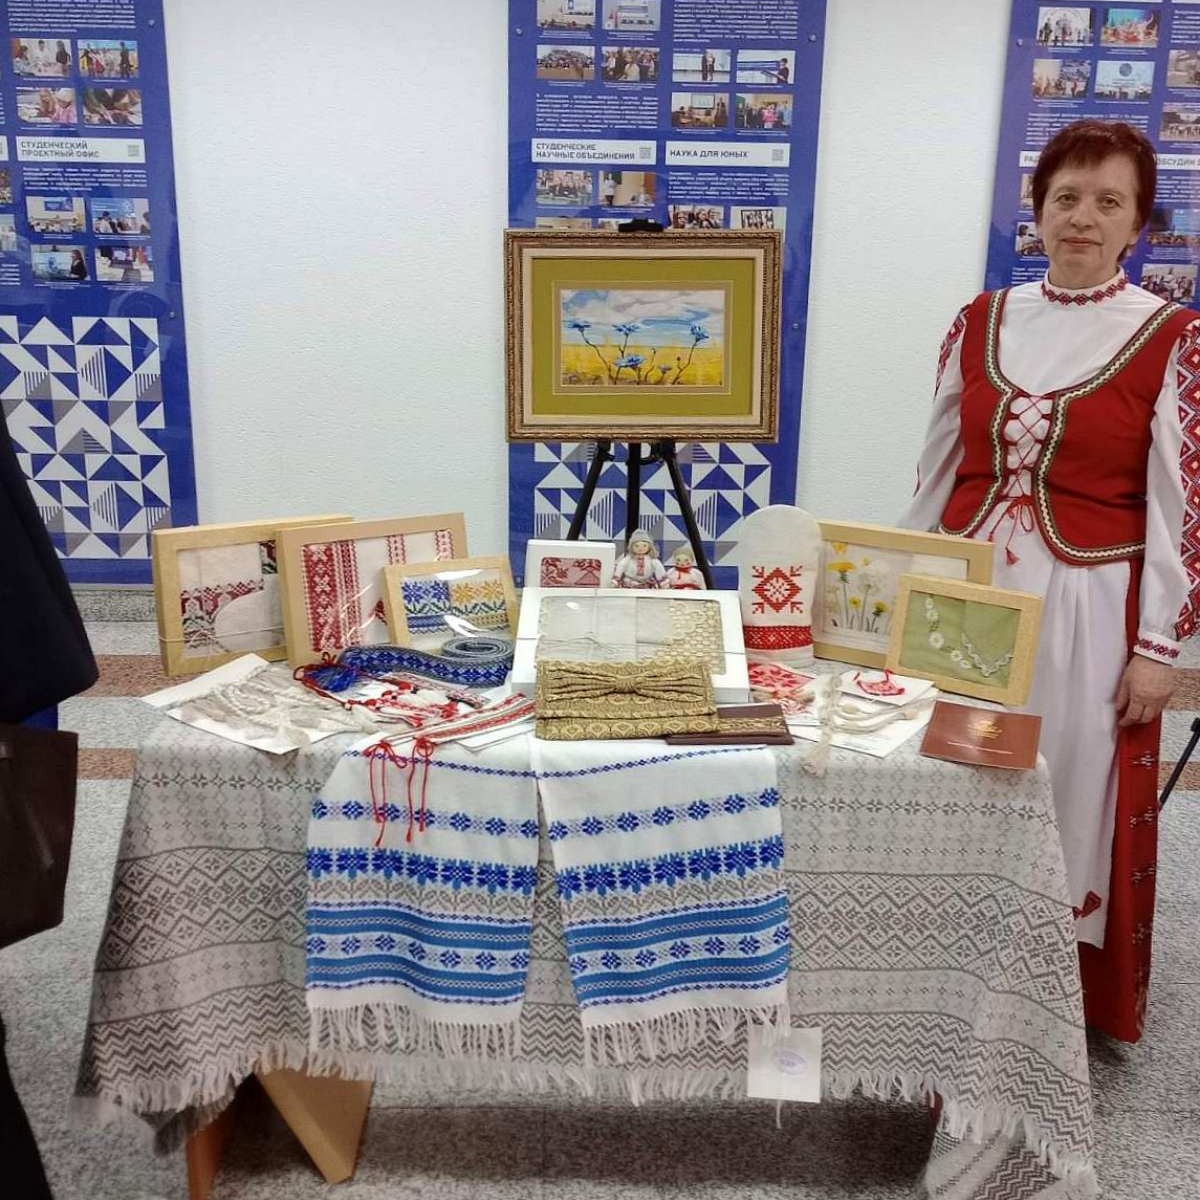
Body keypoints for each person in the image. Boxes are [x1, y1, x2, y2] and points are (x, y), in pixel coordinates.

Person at [900, 119, 1200, 1043]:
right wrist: (894, 590)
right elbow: (937, 470)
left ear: (1137, 223)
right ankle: (944, 974)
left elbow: (1179, 504)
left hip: (1086, 608)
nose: (1083, 218)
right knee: (957, 775)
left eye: (1109, 201)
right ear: (1037, 211)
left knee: (1063, 786)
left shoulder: (1171, 336)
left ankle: (1043, 1005)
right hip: (973, 598)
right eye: (1066, 197)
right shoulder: (981, 319)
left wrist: (1158, 648)